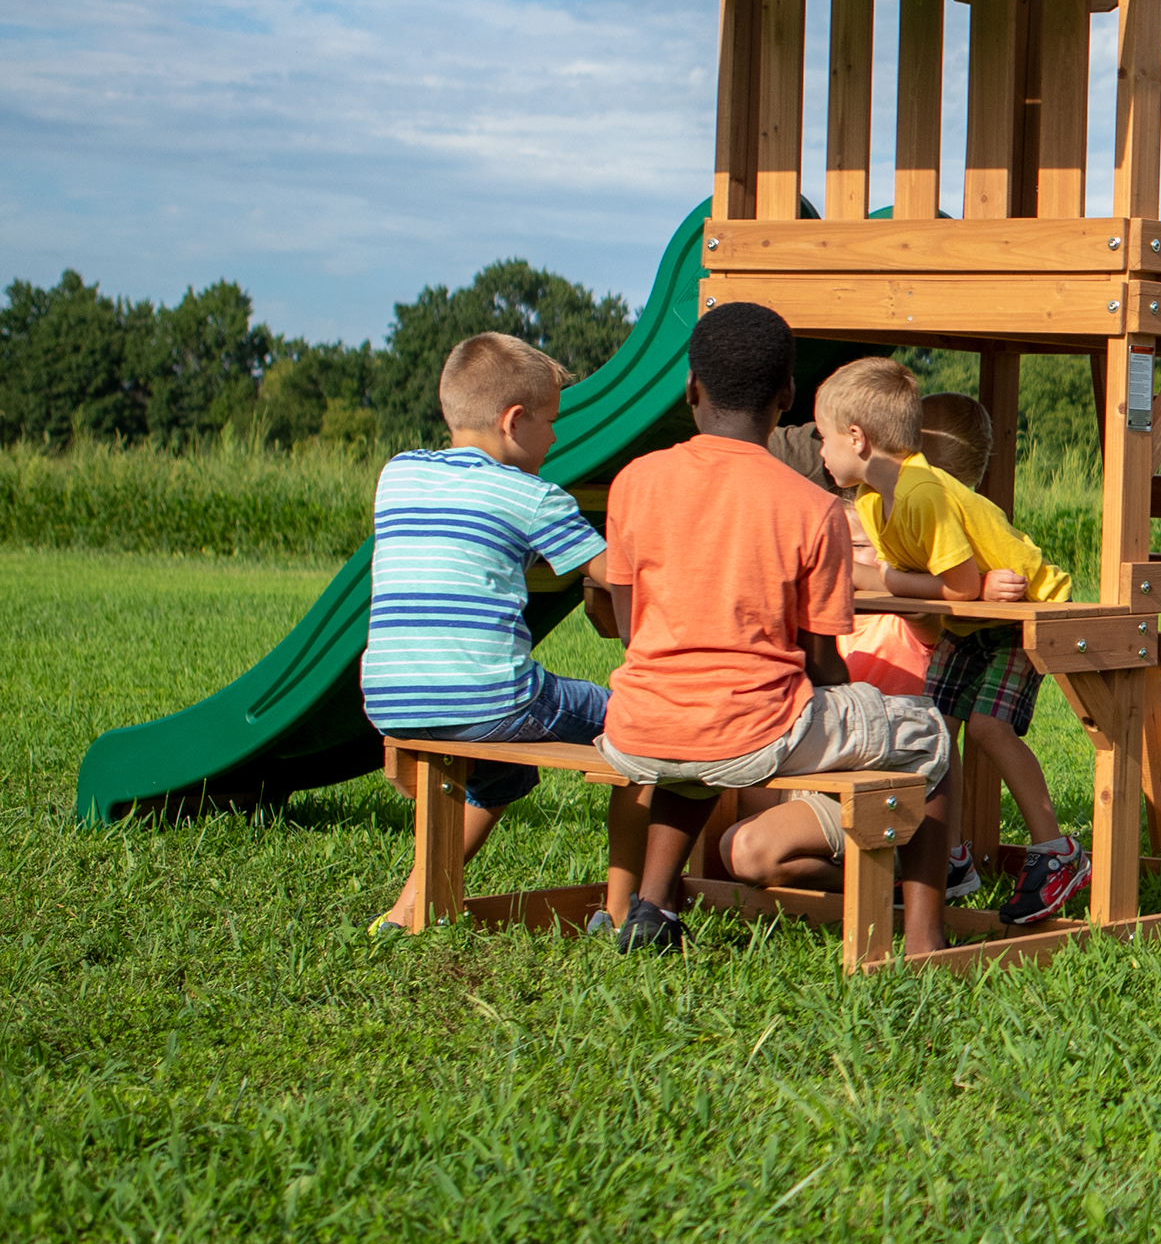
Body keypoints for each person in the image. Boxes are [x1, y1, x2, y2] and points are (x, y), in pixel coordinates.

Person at [589, 303, 954, 958]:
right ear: (786, 396)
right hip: (750, 734)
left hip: (637, 728)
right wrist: (849, 708)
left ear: (691, 389)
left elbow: (628, 627)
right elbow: (821, 664)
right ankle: (925, 936)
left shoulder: (633, 482)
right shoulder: (813, 508)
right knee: (928, 733)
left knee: (697, 737)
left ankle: (653, 908)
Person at [810, 357, 1086, 928]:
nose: (820, 451)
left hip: (1022, 613)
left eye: (824, 437)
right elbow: (896, 577)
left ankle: (1057, 852)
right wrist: (897, 578)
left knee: (987, 727)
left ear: (857, 439)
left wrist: (933, 582)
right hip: (970, 618)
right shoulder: (872, 500)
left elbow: (955, 586)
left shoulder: (921, 492)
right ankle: (953, 856)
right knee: (935, 726)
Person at [363, 332, 608, 934]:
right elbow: (619, 573)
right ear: (514, 421)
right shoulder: (533, 496)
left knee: (505, 775)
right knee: (640, 716)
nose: (555, 438)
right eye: (551, 422)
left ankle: (410, 908)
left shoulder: (399, 474)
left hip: (391, 702)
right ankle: (634, 902)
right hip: (490, 700)